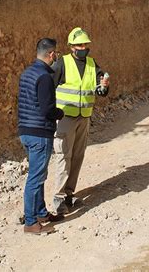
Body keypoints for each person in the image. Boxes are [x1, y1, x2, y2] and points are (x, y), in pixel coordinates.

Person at [51, 27, 110, 215]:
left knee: (77, 157)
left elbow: (100, 90)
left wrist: (104, 86)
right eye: (79, 45)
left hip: (83, 117)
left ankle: (69, 194)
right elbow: (47, 87)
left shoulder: (93, 65)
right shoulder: (62, 63)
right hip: (65, 118)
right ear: (71, 47)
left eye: (85, 44)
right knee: (63, 156)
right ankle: (58, 197)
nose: (83, 47)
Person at [18, 38, 65, 235]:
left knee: (39, 174)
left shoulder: (27, 73)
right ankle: (30, 222)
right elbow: (47, 109)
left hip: (26, 131)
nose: (57, 57)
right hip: (40, 133)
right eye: (56, 54)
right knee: (36, 178)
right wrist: (60, 113)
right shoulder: (45, 77)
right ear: (51, 54)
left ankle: (41, 212)